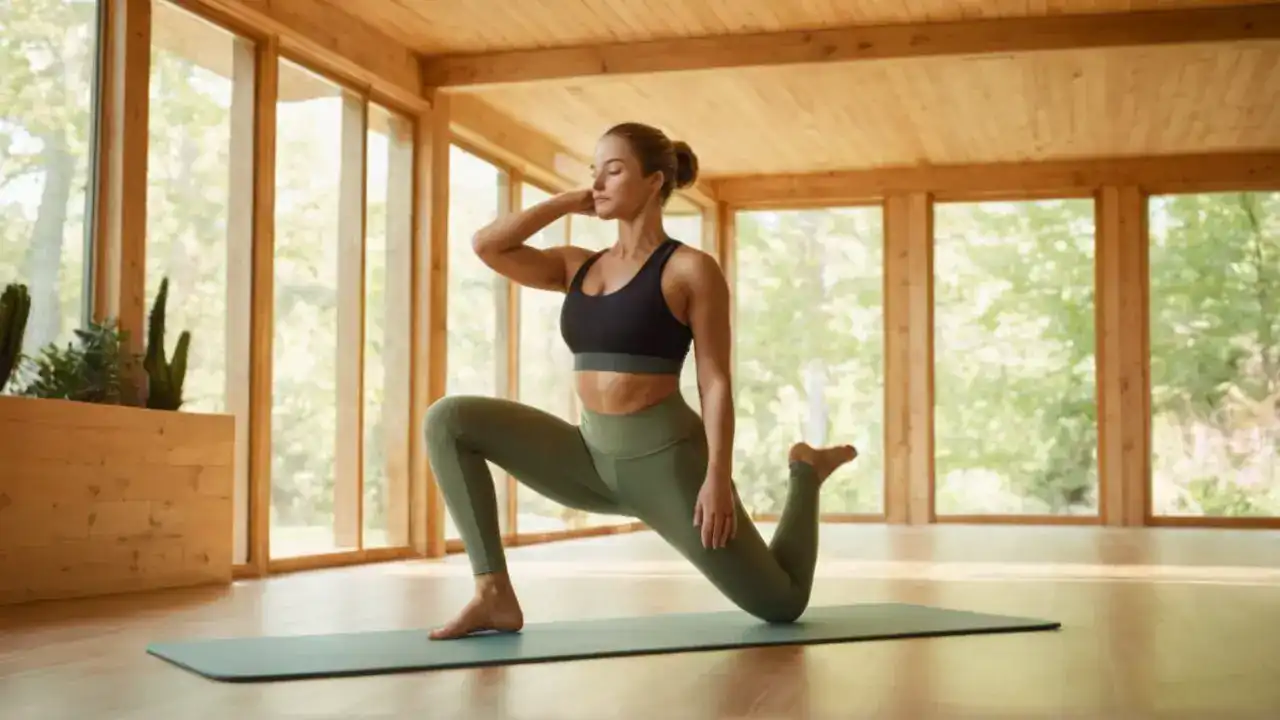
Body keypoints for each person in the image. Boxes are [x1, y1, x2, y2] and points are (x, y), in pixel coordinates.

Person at [424, 122, 857, 640]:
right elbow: (487, 246)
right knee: (448, 419)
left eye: (614, 170)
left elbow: (715, 381)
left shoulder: (690, 270)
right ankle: (493, 594)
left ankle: (805, 471)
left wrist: (717, 476)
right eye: (594, 173)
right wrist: (566, 202)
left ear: (654, 182)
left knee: (781, 604)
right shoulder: (576, 267)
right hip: (589, 456)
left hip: (667, 467)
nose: (599, 184)